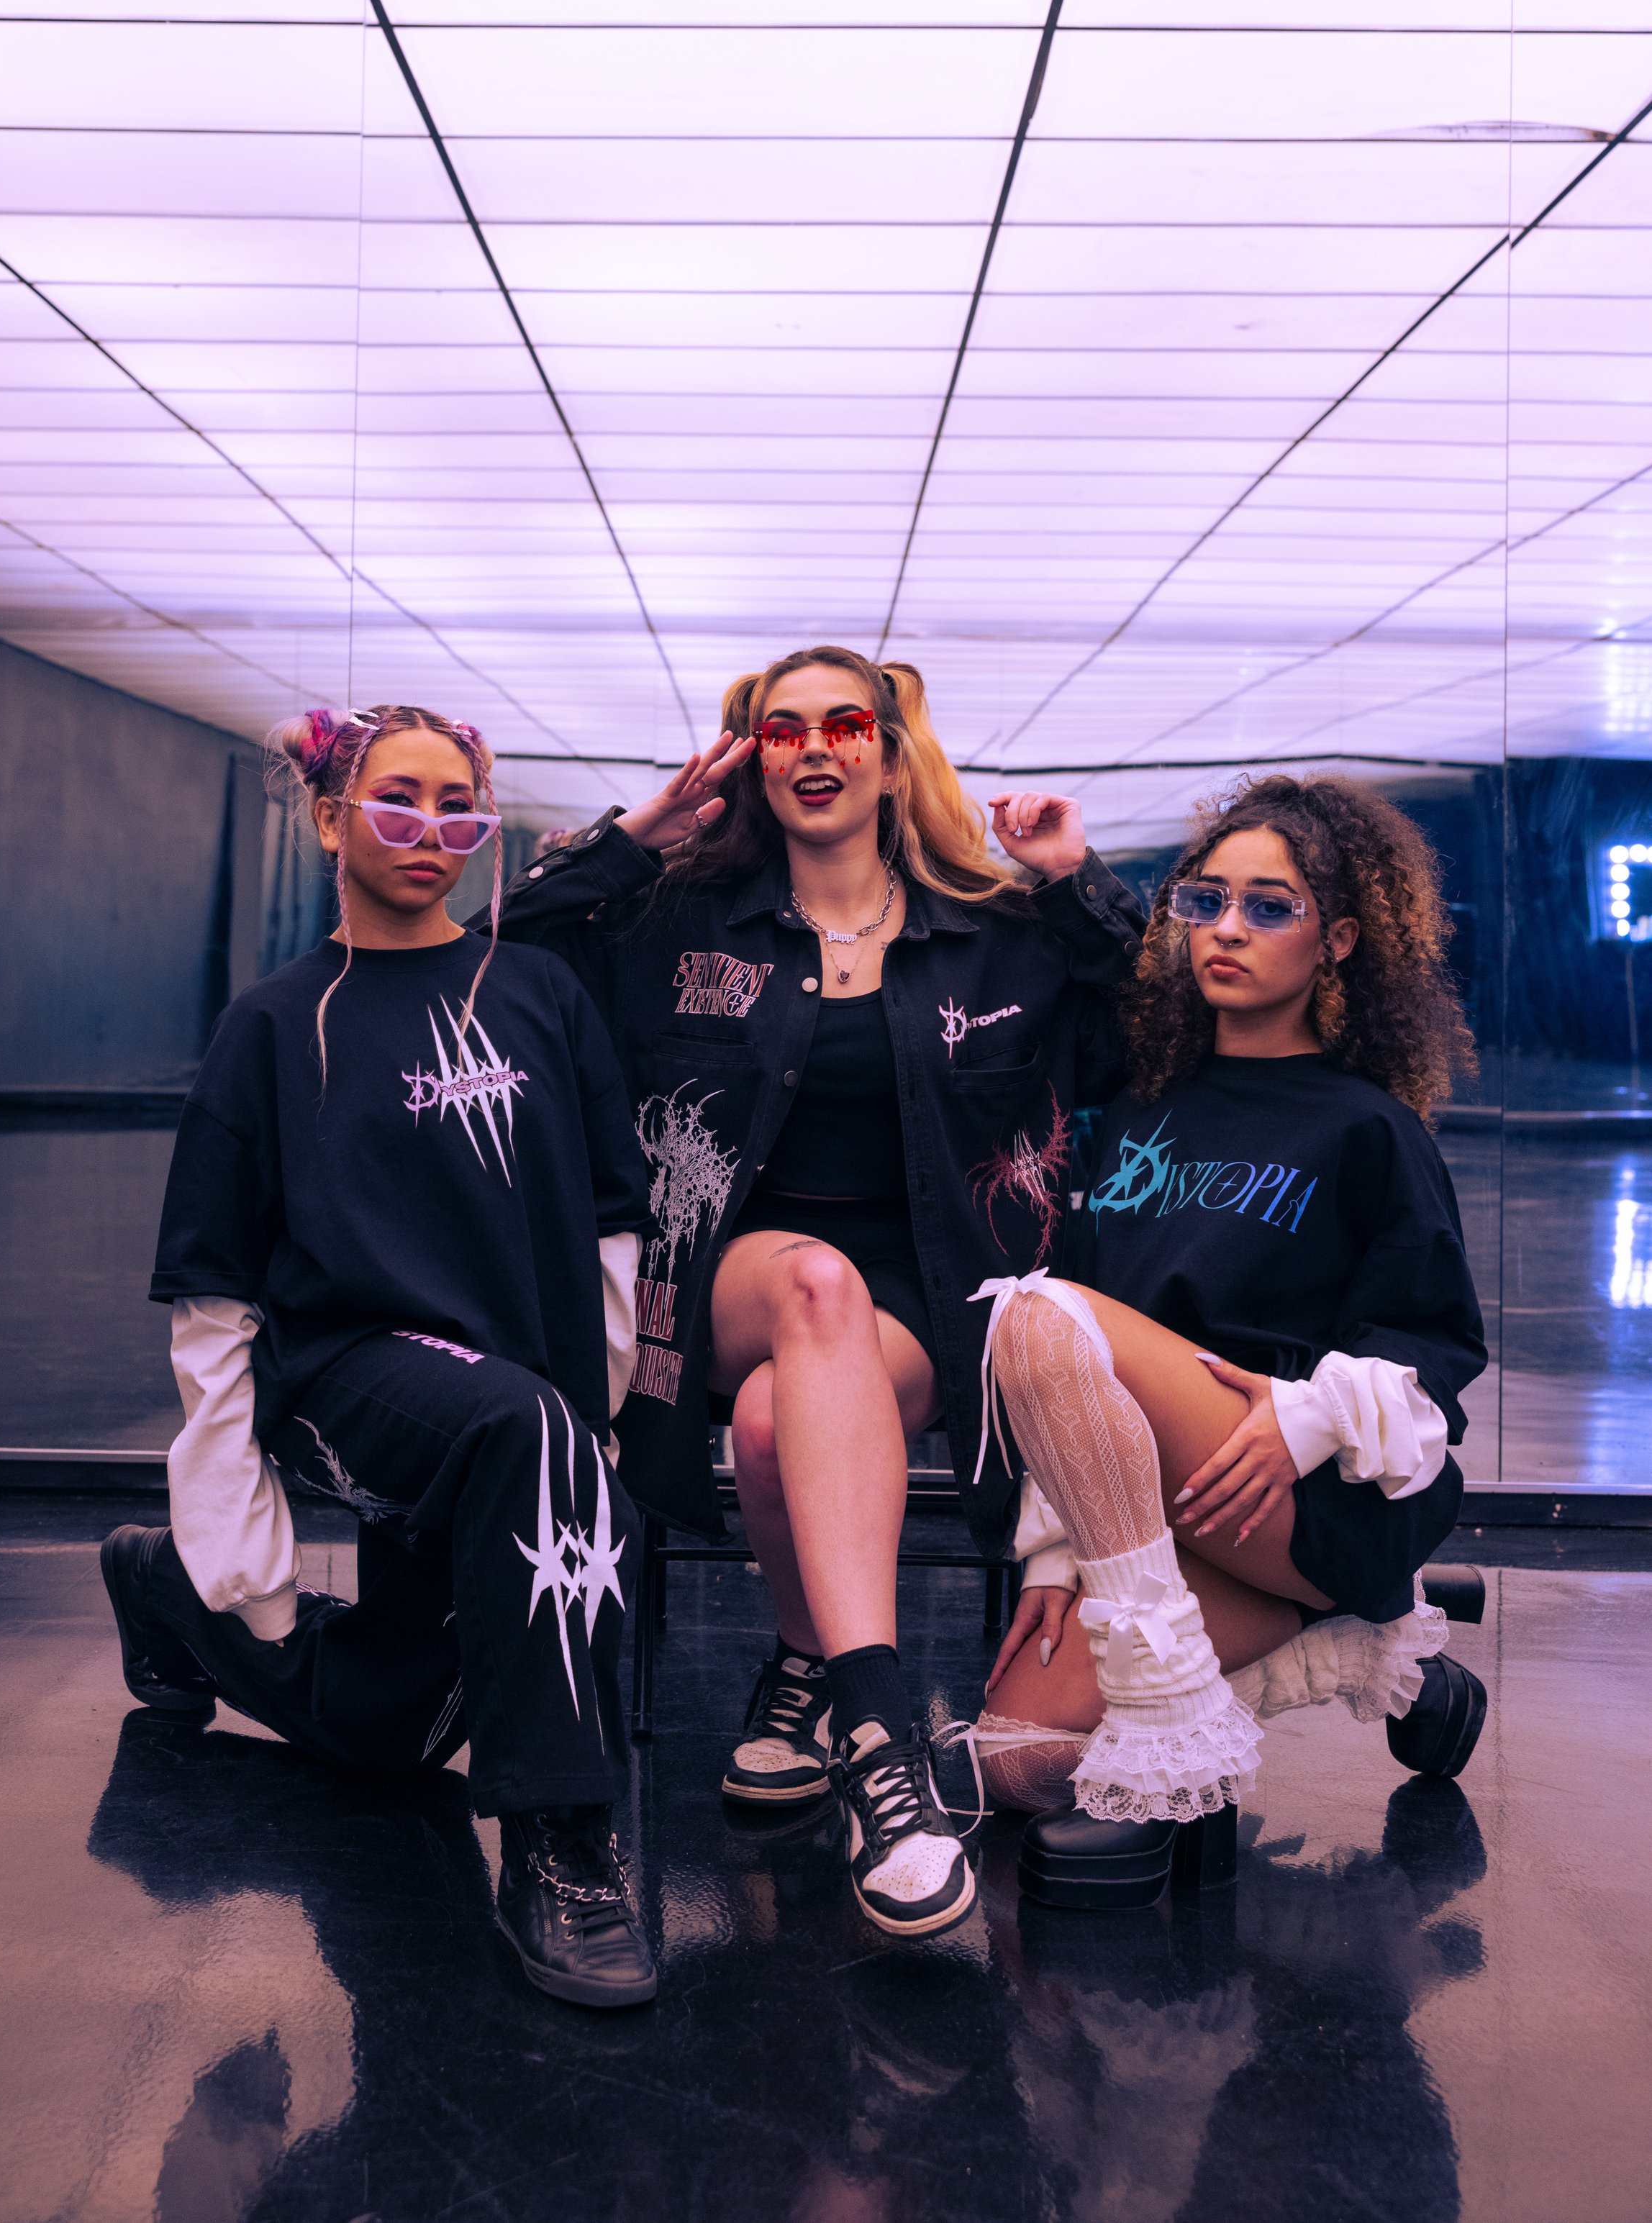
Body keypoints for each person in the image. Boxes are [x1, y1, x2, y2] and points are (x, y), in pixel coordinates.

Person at [493, 646, 1145, 1938]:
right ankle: (887, 1741)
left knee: (771, 1418)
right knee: (813, 1283)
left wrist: (1073, 881)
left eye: (847, 723)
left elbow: (1146, 1028)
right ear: (754, 762)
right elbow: (503, 952)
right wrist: (641, 834)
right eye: (779, 730)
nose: (815, 747)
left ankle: (806, 1667)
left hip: (935, 1301)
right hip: (735, 1270)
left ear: (893, 759)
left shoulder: (998, 939)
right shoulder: (678, 924)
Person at [98, 702, 659, 2009]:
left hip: (511, 1399)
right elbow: (215, 1285)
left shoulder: (537, 990)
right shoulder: (274, 1025)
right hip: (342, 1373)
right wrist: (227, 1506)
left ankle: (162, 1599)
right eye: (397, 800)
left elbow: (611, 1218)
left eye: (458, 807)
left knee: (401, 1731)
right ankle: (566, 1846)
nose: (430, 832)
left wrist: (603, 1404)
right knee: (521, 1432)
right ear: (329, 813)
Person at [965, 774, 1488, 1904]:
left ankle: (1169, 1728)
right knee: (1010, 1762)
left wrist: (1304, 1418)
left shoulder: (1369, 1127)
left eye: (1270, 907)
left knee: (1035, 1311)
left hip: (1298, 1497)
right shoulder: (1146, 1107)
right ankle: (1363, 1656)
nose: (1229, 932)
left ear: (1339, 939)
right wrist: (1063, 1554)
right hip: (1160, 1512)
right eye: (1206, 904)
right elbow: (1082, 1379)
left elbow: (1436, 1355)